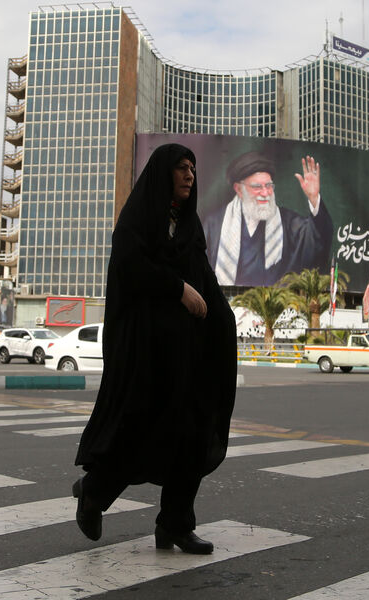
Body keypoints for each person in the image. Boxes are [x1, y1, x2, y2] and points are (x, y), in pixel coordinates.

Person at [73, 143, 237, 555]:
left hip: (186, 353)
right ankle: (94, 492)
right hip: (146, 352)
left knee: (192, 432)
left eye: (192, 168)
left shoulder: (189, 225)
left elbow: (204, 278)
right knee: (139, 428)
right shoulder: (138, 217)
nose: (189, 175)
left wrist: (224, 320)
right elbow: (130, 267)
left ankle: (175, 525)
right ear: (163, 172)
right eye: (181, 167)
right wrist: (176, 288)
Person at [203, 151, 333, 287]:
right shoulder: (215, 225)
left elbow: (317, 238)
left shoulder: (288, 223)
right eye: (257, 187)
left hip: (275, 299)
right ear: (239, 189)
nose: (265, 193)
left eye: (269, 186)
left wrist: (313, 198)